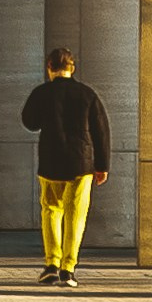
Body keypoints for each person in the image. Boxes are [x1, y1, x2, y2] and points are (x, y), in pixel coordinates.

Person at [21, 47, 110, 287]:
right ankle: (68, 269)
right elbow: (101, 131)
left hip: (51, 161)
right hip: (82, 163)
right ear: (72, 68)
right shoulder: (87, 94)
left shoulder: (42, 93)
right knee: (76, 216)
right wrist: (102, 165)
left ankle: (51, 263)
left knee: (51, 210)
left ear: (49, 68)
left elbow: (29, 121)